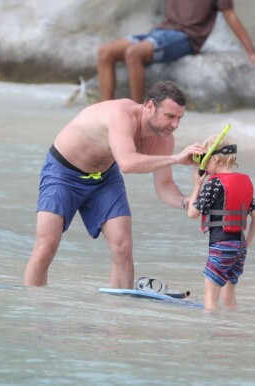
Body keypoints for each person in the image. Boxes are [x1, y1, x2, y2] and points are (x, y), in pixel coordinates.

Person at [24, 81, 205, 288]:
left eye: (179, 118)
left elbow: (164, 185)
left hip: (104, 177)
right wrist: (177, 159)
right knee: (46, 245)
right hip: (63, 172)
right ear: (150, 107)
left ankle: (119, 314)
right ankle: (33, 309)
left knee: (123, 247)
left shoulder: (164, 139)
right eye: (170, 117)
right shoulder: (121, 114)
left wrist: (185, 201)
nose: (175, 125)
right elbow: (127, 163)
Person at [97, 0, 255, 103]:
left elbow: (231, 16)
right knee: (105, 52)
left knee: (133, 54)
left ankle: (136, 113)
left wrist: (251, 52)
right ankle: (103, 112)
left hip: (186, 37)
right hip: (161, 31)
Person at [186, 134, 255, 310]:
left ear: (215, 159)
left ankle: (213, 334)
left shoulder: (213, 184)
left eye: (204, 160)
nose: (203, 166)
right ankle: (232, 331)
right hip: (240, 247)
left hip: (221, 246)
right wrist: (245, 246)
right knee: (229, 299)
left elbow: (192, 213)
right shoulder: (244, 182)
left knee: (210, 298)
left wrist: (197, 185)